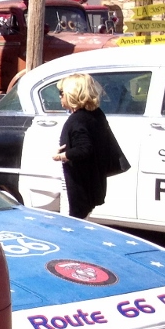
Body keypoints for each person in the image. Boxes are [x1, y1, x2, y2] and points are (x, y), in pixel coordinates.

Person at [52, 73, 124, 219]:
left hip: (77, 184)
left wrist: (61, 156)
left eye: (61, 93)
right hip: (92, 183)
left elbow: (84, 149)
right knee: (81, 219)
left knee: (70, 223)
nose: (60, 97)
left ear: (73, 93)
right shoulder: (96, 114)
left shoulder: (77, 120)